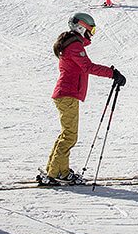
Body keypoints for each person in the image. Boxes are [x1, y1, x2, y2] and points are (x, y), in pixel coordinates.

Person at [39, 13, 126, 185]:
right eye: (91, 29)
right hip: (68, 94)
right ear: (81, 27)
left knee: (67, 134)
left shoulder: (71, 44)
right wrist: (112, 73)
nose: (92, 33)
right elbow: (88, 67)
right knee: (70, 136)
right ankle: (55, 173)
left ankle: (58, 170)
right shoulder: (74, 46)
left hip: (67, 94)